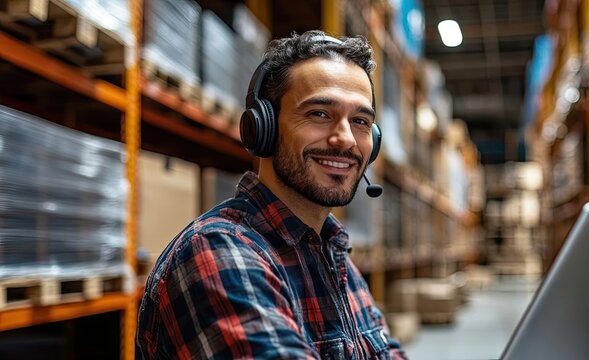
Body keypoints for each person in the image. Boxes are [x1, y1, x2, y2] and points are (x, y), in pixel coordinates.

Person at [136, 30, 407, 360]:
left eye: (361, 121)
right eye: (319, 114)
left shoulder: (335, 257)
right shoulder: (217, 252)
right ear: (262, 127)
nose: (346, 139)